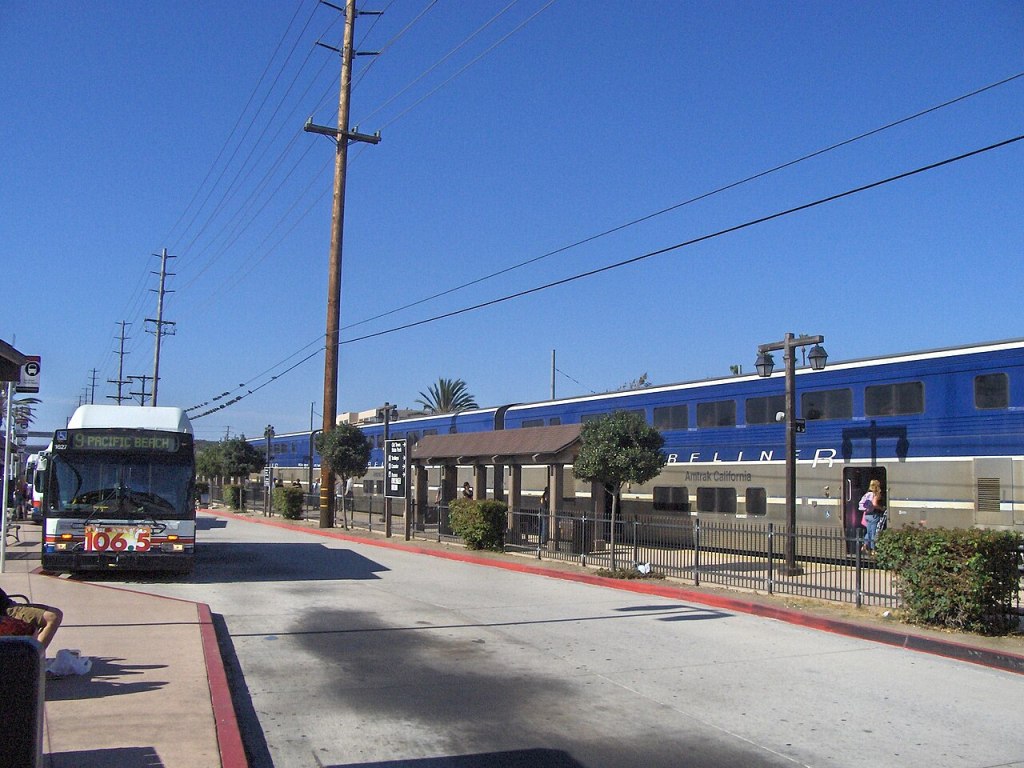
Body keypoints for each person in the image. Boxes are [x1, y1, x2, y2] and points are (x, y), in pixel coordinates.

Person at [860, 479, 885, 554]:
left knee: (869, 531)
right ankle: (873, 550)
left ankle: (864, 545)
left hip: (867, 515)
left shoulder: (867, 494)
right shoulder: (876, 494)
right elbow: (874, 504)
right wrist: (881, 508)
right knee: (874, 532)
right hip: (874, 515)